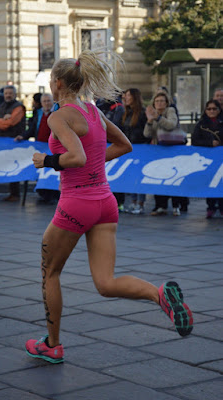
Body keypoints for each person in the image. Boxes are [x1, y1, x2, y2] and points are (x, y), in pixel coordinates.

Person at [24, 50, 193, 364]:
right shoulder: (92, 111)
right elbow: (124, 145)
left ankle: (53, 345)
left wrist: (45, 161)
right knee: (106, 283)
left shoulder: (59, 115)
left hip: (77, 204)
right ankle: (160, 295)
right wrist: (89, 166)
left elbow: (76, 157)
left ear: (58, 83)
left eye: (50, 80)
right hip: (105, 202)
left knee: (50, 273)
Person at [144, 91, 184, 216]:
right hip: (158, 149)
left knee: (174, 178)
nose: (159, 103)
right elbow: (147, 134)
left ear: (166, 103)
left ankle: (176, 205)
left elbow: (171, 124)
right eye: (157, 101)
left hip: (172, 149)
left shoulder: (170, 111)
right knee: (159, 178)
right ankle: (160, 205)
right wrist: (150, 121)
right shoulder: (153, 115)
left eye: (162, 101)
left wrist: (158, 118)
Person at [15, 93, 58, 203]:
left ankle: (53, 194)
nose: (47, 103)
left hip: (54, 148)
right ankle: (43, 194)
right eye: (45, 101)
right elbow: (32, 128)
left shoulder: (58, 113)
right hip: (40, 147)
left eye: (49, 101)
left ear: (52, 101)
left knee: (53, 170)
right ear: (41, 103)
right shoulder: (38, 113)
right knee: (41, 170)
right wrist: (23, 136)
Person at [0, 85, 26, 201]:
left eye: (10, 93)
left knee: (14, 167)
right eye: (6, 93)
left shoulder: (19, 107)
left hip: (15, 142)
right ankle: (12, 193)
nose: (8, 95)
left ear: (15, 94)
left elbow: (11, 122)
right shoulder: (1, 106)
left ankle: (15, 194)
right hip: (3, 142)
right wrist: (2, 120)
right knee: (8, 166)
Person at [191, 99, 223, 218]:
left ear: (219, 110)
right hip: (208, 159)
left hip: (221, 158)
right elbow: (195, 140)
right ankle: (210, 207)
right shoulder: (201, 124)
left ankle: (221, 207)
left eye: (214, 109)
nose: (212, 111)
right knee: (210, 182)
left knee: (221, 182)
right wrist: (210, 143)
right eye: (209, 109)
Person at [120, 88, 148, 214]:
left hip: (140, 148)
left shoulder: (142, 113)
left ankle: (140, 204)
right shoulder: (127, 113)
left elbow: (146, 132)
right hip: (129, 150)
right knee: (131, 176)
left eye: (128, 96)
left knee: (139, 177)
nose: (126, 98)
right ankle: (133, 202)